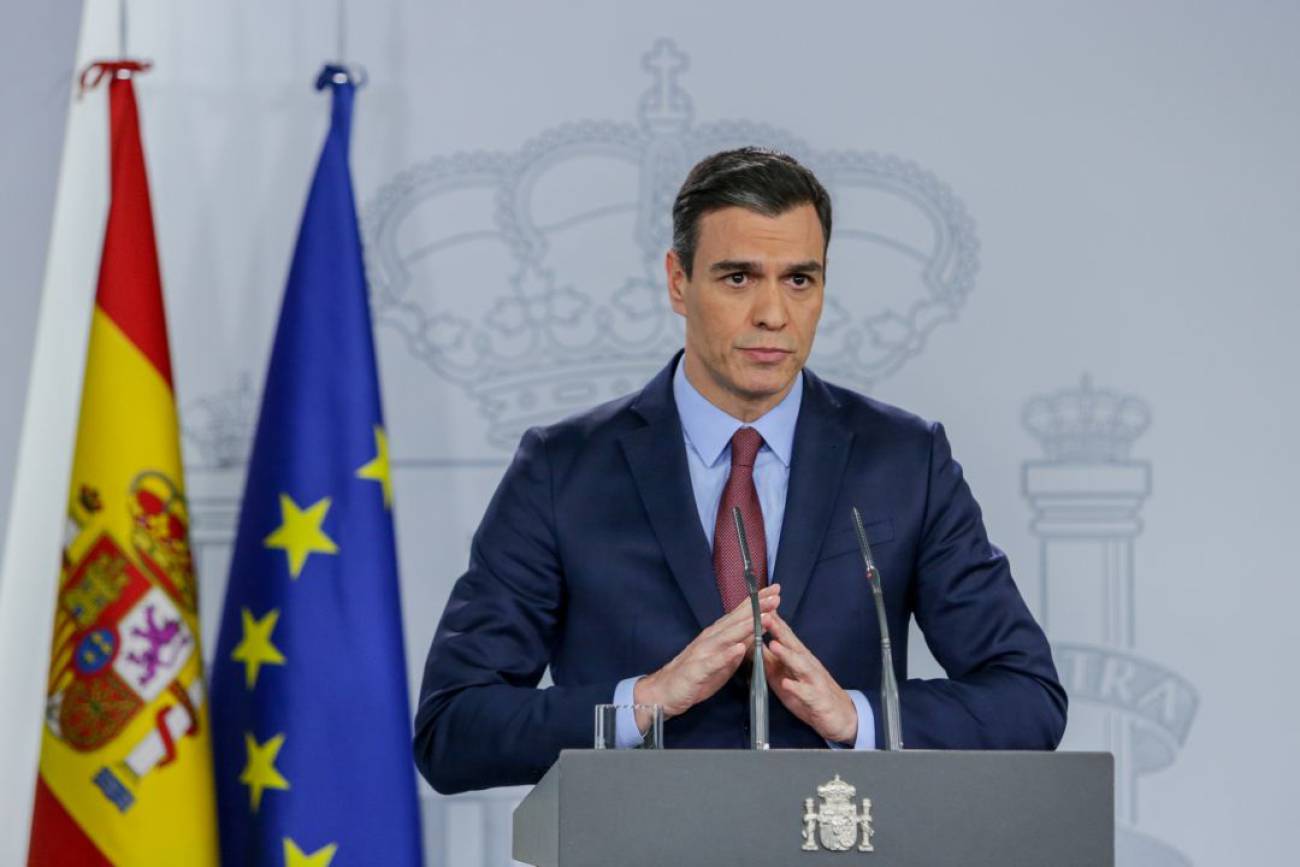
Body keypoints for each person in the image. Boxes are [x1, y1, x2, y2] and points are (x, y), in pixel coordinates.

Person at [413, 148, 1066, 795]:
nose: (773, 314)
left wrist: (857, 717)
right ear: (678, 281)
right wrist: (642, 701)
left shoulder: (905, 461)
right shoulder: (562, 470)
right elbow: (453, 727)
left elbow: (1027, 696)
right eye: (738, 278)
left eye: (799, 280)